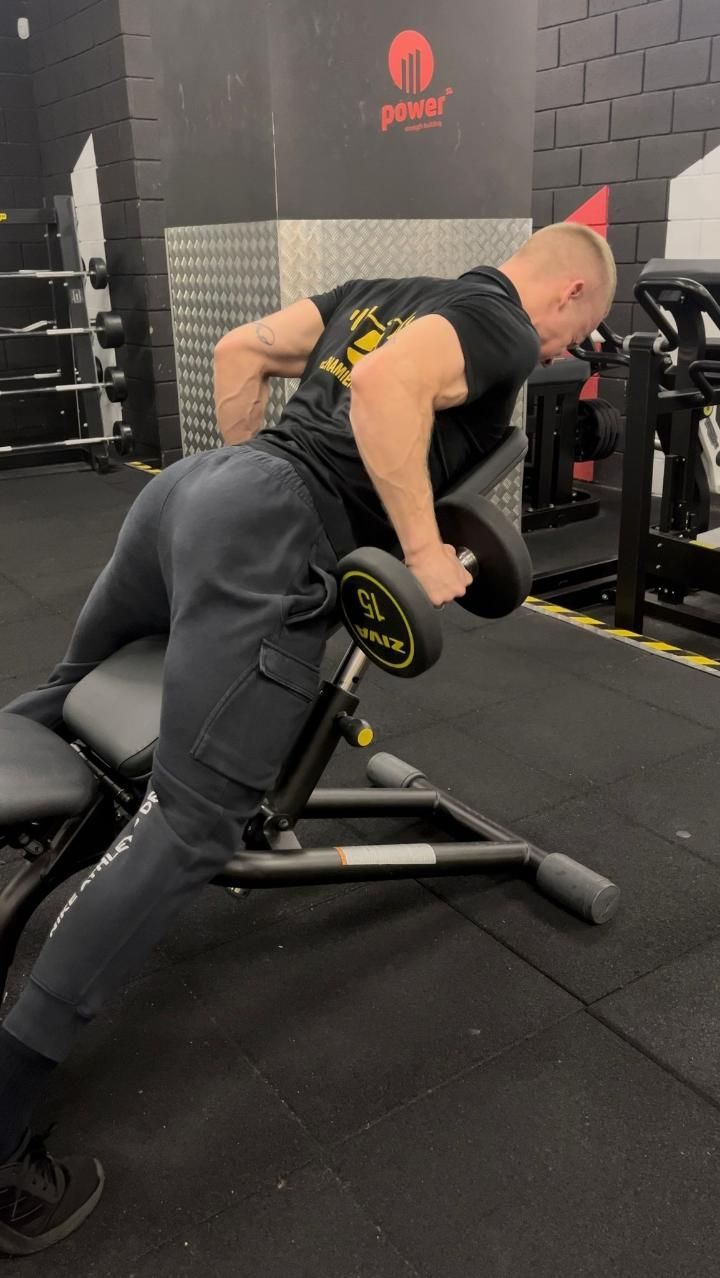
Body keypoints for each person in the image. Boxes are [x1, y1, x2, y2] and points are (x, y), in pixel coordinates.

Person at [0, 222, 615, 1255]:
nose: (563, 352)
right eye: (576, 333)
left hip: (189, 495)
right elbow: (385, 390)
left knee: (69, 703)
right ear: (566, 295)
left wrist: (240, 487)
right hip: (273, 528)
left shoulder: (384, 288)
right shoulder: (502, 327)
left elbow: (240, 351)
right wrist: (420, 547)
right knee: (195, 823)